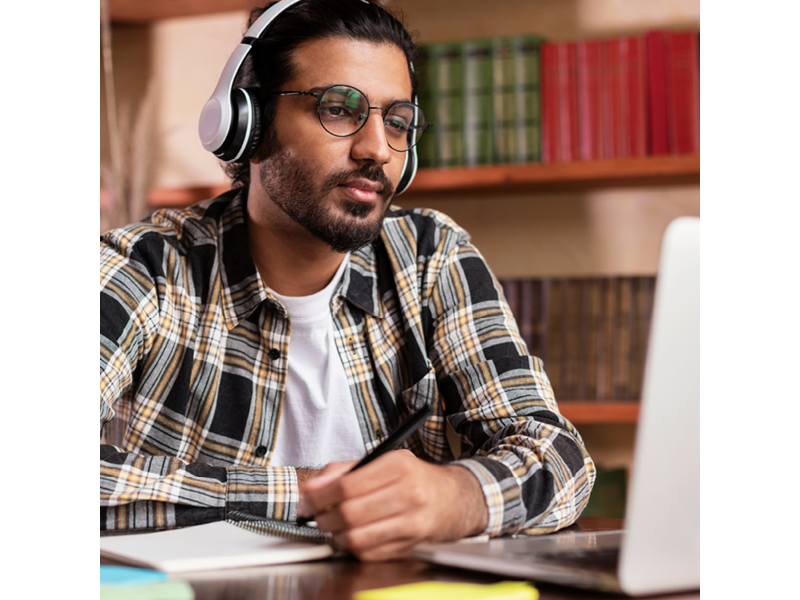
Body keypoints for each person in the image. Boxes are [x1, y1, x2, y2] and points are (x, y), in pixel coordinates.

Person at [99, 0, 595, 561]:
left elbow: (558, 454)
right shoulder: (142, 266)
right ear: (248, 123)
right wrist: (314, 494)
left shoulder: (431, 257)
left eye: (398, 121)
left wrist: (459, 496)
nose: (377, 149)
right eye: (338, 109)